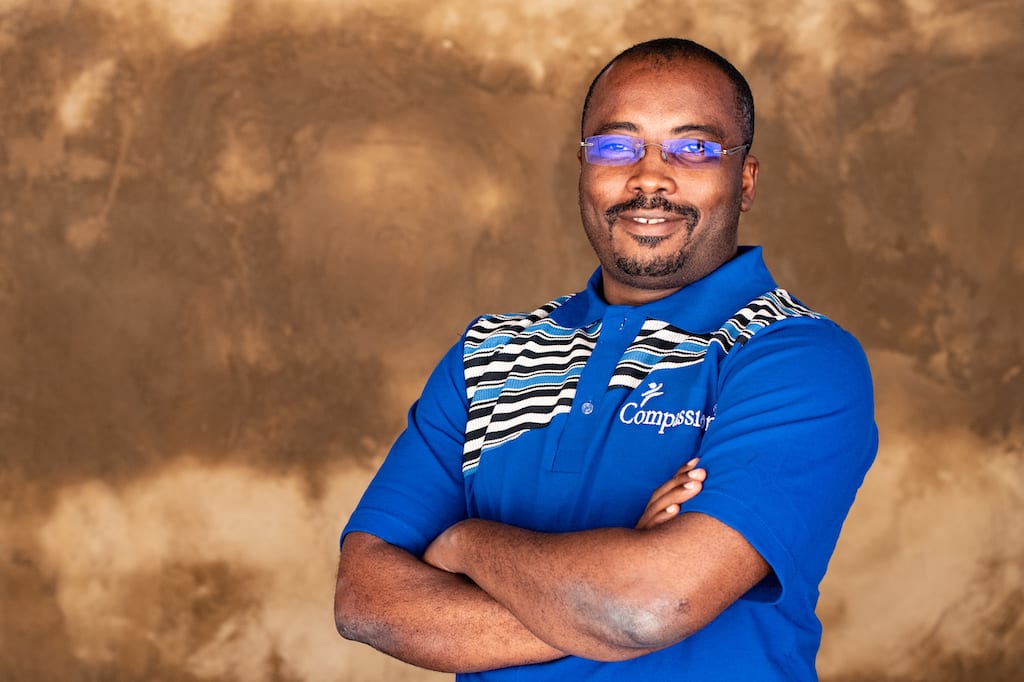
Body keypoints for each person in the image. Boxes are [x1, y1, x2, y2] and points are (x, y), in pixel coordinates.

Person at [334, 37, 878, 681]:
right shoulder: (489, 350)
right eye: (618, 145)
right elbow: (366, 601)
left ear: (745, 179)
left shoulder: (795, 356)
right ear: (583, 167)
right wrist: (605, 593)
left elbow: (648, 608)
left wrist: (465, 544)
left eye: (694, 147)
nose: (650, 176)